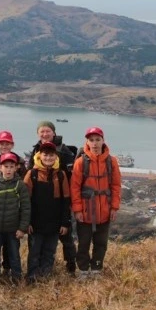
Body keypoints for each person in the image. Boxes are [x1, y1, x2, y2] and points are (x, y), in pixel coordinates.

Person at [26, 120, 78, 275]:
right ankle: (34, 274)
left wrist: (66, 216)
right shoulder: (34, 160)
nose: (45, 134)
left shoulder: (65, 152)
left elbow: (71, 180)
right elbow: (27, 192)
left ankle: (70, 266)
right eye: (41, 131)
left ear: (54, 132)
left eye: (48, 131)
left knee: (62, 241)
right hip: (39, 211)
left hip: (58, 204)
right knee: (36, 246)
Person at [71, 127, 121, 277]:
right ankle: (83, 269)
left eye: (97, 140)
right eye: (91, 140)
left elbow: (116, 186)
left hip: (104, 210)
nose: (95, 143)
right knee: (84, 242)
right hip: (86, 211)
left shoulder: (111, 162)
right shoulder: (81, 162)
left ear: (103, 141)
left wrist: (114, 208)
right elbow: (75, 187)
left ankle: (97, 268)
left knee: (101, 243)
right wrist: (77, 210)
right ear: (87, 142)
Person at [24, 142, 70, 283]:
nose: (48, 158)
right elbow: (26, 201)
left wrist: (64, 223)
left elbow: (66, 201)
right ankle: (31, 277)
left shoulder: (61, 175)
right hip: (36, 223)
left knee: (50, 252)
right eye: (45, 155)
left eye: (51, 155)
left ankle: (45, 277)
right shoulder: (32, 174)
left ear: (55, 156)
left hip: (54, 223)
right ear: (40, 156)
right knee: (35, 252)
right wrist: (28, 222)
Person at [0, 152, 30, 282]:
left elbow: (26, 208)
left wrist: (22, 228)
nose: (9, 169)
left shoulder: (20, 185)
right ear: (0, 168)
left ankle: (16, 278)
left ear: (16, 168)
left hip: (13, 229)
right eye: (6, 166)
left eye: (12, 166)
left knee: (14, 255)